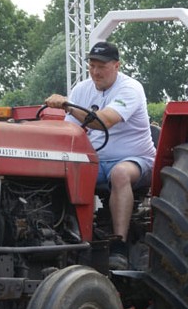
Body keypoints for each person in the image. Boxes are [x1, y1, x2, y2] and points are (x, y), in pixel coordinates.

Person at [44, 41, 156, 270]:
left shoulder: (130, 89)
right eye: (92, 66)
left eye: (101, 66)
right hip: (96, 161)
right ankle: (63, 238)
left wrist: (67, 106)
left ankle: (119, 246)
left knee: (120, 174)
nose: (95, 72)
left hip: (137, 160)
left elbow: (103, 121)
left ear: (116, 66)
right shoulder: (81, 90)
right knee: (58, 174)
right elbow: (70, 130)